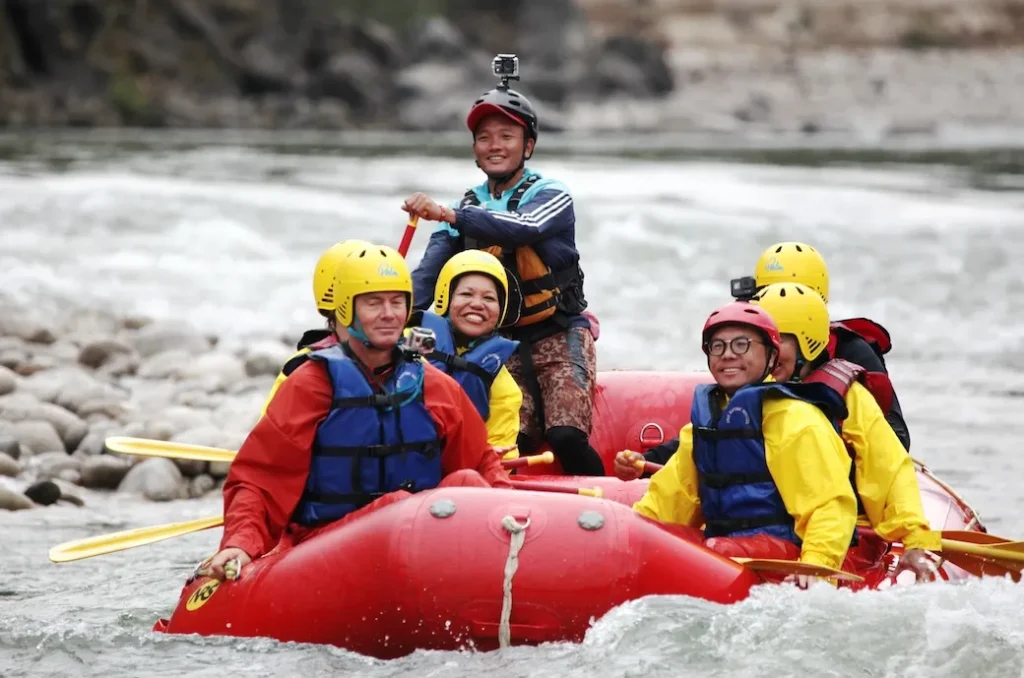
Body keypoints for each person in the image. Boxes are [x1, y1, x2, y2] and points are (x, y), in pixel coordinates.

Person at [202, 244, 512, 580]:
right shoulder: (311, 385)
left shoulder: (434, 385)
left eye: (397, 302)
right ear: (346, 310)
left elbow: (480, 463)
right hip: (327, 541)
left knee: (466, 482)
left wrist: (517, 517)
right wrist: (240, 543)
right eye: (373, 303)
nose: (389, 314)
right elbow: (260, 480)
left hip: (417, 538)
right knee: (396, 505)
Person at [401, 56, 604, 476]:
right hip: (499, 343)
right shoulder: (464, 206)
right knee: (515, 442)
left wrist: (451, 215)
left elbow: (522, 226)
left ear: (527, 146)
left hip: (560, 333)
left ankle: (606, 508)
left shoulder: (552, 195)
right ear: (475, 149)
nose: (494, 145)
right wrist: (392, 319)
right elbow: (429, 275)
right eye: (484, 137)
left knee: (565, 435)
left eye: (506, 136)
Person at [623, 301, 858, 578]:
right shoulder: (705, 424)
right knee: (704, 549)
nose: (728, 355)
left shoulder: (796, 419)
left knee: (718, 549)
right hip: (726, 550)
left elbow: (827, 506)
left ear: (771, 357)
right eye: (718, 346)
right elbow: (668, 501)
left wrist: (816, 568)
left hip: (786, 553)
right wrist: (631, 540)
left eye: (742, 344)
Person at [750, 282, 940, 581]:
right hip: (752, 538)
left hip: (837, 542)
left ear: (807, 343)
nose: (767, 356)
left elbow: (889, 470)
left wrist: (915, 539)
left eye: (776, 343)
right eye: (758, 343)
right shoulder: (739, 395)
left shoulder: (849, 398)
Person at [746, 241, 911, 449]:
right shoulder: (743, 345)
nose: (780, 304)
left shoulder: (852, 350)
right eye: (768, 294)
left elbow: (897, 439)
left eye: (795, 297)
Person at [411, 250, 523, 454]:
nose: (477, 304)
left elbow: (501, 456)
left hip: (456, 472)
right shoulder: (415, 339)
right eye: (466, 294)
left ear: (501, 309)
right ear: (446, 297)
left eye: (489, 298)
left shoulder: (504, 388)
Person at [259, 239, 370, 414]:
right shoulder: (302, 369)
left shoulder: (410, 361)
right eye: (372, 301)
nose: (385, 313)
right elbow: (269, 434)